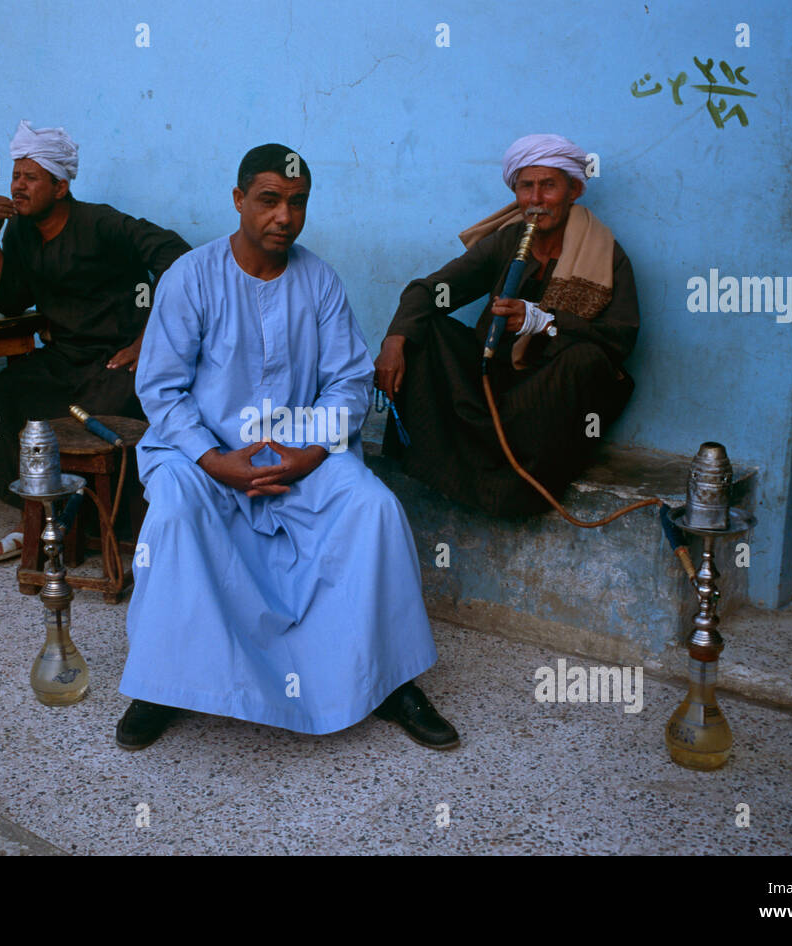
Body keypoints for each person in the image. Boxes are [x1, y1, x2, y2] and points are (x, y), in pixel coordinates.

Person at [116, 144, 458, 751]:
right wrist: (212, 459)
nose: (284, 217)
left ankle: (389, 680)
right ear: (239, 199)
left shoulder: (319, 279)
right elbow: (162, 389)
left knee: (372, 508)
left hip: (303, 454)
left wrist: (315, 452)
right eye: (269, 200)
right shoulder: (191, 277)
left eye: (296, 204)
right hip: (202, 454)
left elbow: (349, 380)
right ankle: (161, 683)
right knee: (172, 514)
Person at [374, 133, 640, 517]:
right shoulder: (506, 242)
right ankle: (446, 464)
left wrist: (545, 323)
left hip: (550, 395)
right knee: (425, 330)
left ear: (574, 190)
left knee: (585, 361)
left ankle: (519, 487)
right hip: (494, 382)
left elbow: (619, 341)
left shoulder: (607, 255)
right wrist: (394, 342)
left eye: (548, 186)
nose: (535, 200)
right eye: (526, 187)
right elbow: (431, 291)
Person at [0, 120, 190, 561]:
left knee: (93, 413)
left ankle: (89, 519)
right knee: (3, 392)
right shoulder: (19, 232)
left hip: (119, 356)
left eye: (30, 178)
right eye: (15, 176)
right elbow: (9, 301)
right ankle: (34, 514)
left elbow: (177, 257)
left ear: (60, 186)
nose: (18, 186)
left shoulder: (102, 224)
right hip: (66, 355)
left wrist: (148, 339)